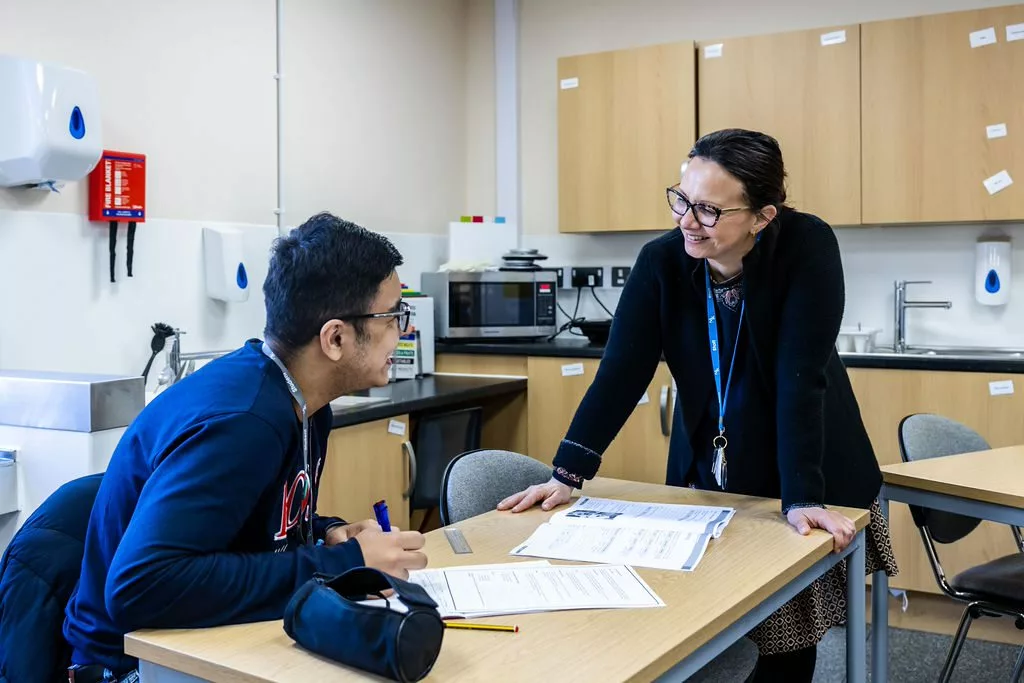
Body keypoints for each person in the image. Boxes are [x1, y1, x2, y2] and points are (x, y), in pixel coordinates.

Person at [498, 129, 898, 682]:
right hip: (708, 464)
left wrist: (801, 494)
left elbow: (798, 377)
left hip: (804, 458)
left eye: (709, 210)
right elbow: (621, 371)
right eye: (682, 200)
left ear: (761, 215)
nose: (688, 220)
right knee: (704, 626)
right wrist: (569, 470)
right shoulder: (661, 261)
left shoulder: (805, 245)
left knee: (783, 642)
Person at [63, 212, 428, 682]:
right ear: (335, 338)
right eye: (393, 315)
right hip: (134, 664)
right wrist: (345, 564)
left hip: (213, 641)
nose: (402, 328)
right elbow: (141, 584)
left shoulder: (306, 403)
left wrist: (326, 534)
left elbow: (248, 525)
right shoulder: (244, 421)